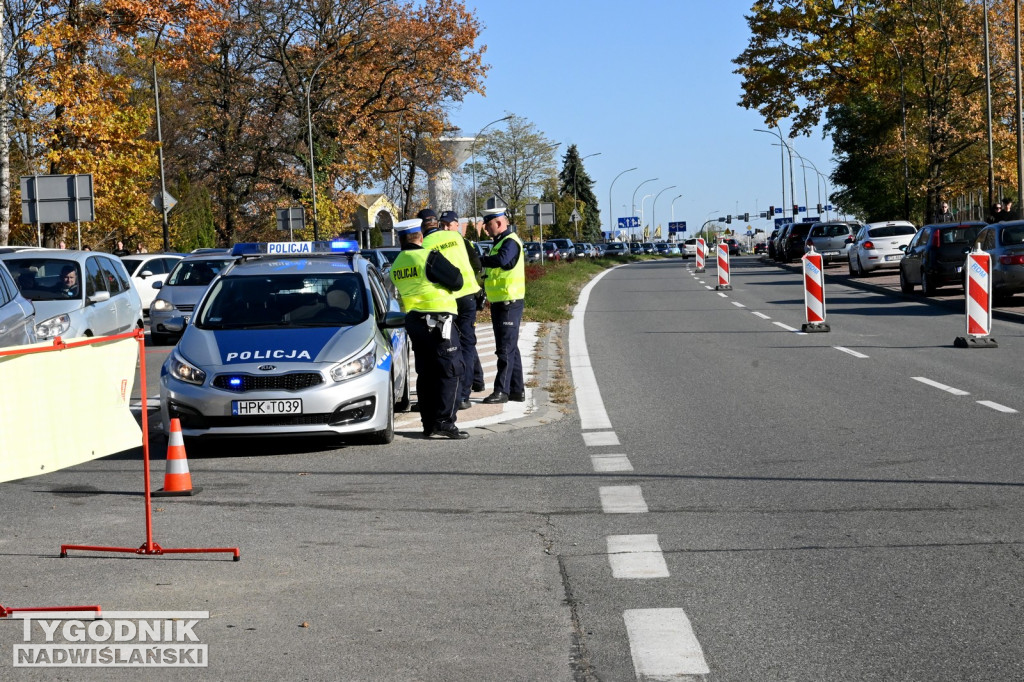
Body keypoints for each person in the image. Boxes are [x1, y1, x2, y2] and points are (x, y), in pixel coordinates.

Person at [389, 218, 468, 439]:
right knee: (450, 369)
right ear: (421, 237)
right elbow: (457, 281)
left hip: (415, 322)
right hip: (439, 321)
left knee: (426, 373)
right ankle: (444, 422)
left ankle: (429, 424)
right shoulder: (427, 257)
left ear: (400, 239)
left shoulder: (397, 264)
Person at [423, 209, 485, 411]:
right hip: (468, 297)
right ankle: (463, 396)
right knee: (467, 345)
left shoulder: (425, 244)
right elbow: (476, 263)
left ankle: (452, 393)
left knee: (449, 347)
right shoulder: (457, 238)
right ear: (440, 225)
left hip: (447, 300)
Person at [478, 207, 526, 405]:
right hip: (501, 301)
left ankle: (501, 391)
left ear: (498, 223)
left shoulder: (510, 242)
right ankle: (516, 390)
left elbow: (502, 261)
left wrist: (480, 260)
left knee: (505, 349)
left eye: (488, 225)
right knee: (510, 347)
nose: (485, 230)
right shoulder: (500, 242)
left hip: (509, 302)